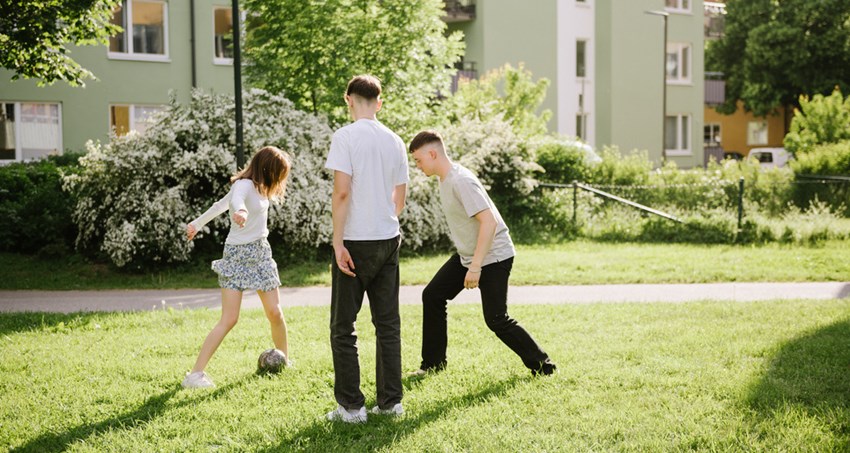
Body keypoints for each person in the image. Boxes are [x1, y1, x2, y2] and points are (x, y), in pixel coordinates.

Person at [407, 130, 556, 377]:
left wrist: (475, 267)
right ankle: (433, 365)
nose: (418, 165)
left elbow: (489, 223)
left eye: (419, 160)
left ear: (432, 153)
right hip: (470, 255)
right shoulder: (444, 179)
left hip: (494, 256)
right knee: (433, 295)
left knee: (496, 318)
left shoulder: (461, 181)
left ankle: (544, 366)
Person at [324, 75, 409, 423]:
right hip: (388, 238)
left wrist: (338, 240)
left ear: (348, 100)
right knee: (387, 325)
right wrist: (382, 216)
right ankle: (391, 403)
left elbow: (342, 192)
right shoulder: (396, 140)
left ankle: (352, 408)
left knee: (343, 326)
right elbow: (399, 199)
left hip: (356, 240)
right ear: (379, 101)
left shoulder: (345, 137)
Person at [182, 146, 292, 389]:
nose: (281, 179)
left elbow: (219, 205)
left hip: (261, 252)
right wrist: (238, 211)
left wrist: (197, 223)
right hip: (236, 255)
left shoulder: (263, 189)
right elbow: (232, 202)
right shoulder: (244, 185)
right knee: (230, 319)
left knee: (275, 312)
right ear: (268, 169)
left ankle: (284, 359)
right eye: (279, 173)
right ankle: (194, 375)